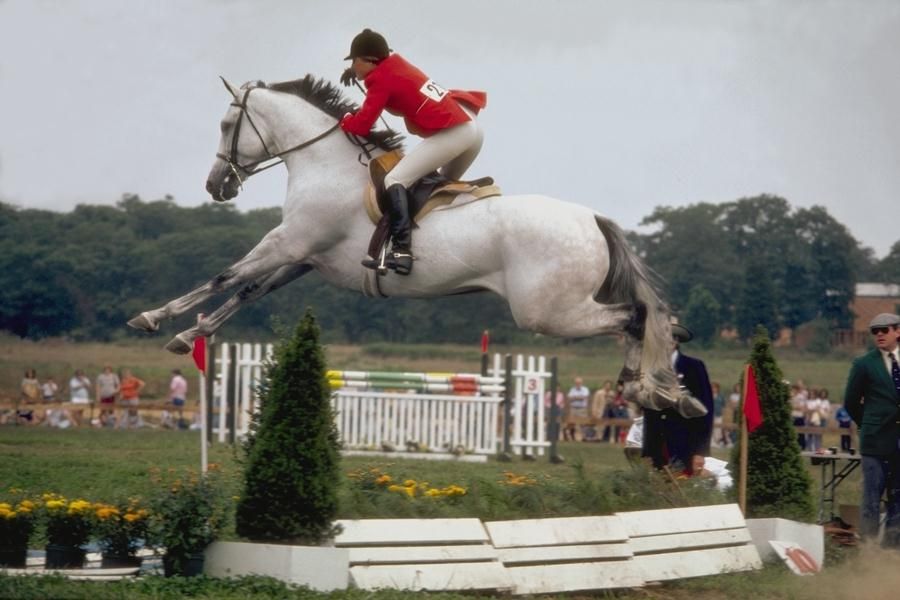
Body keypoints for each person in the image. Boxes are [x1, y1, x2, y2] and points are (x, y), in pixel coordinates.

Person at [340, 28, 487, 276]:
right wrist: (357, 73)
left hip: (455, 132)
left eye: (354, 61)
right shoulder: (393, 61)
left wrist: (344, 119)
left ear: (369, 60)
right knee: (436, 188)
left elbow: (362, 124)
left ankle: (402, 250)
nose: (353, 66)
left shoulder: (379, 79)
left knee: (394, 179)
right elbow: (383, 64)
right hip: (470, 128)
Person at [843, 313, 900, 547]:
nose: (878, 335)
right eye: (874, 331)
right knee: (871, 499)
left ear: (897, 331)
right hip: (874, 443)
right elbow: (851, 401)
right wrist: (868, 424)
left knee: (898, 499)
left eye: (883, 330)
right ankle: (868, 551)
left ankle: (891, 551)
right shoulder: (864, 364)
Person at [641, 319, 714, 476]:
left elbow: (705, 411)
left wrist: (700, 451)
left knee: (683, 493)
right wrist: (647, 450)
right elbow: (649, 413)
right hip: (658, 448)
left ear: (676, 341)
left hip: (686, 445)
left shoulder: (694, 368)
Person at [565, 377, 590, 441]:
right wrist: (578, 397)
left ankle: (584, 437)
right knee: (571, 423)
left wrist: (575, 397)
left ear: (581, 383)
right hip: (573, 409)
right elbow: (569, 399)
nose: (578, 384)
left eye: (579, 383)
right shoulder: (572, 389)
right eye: (576, 383)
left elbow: (584, 397)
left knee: (583, 423)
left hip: (582, 409)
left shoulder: (585, 389)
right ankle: (572, 436)